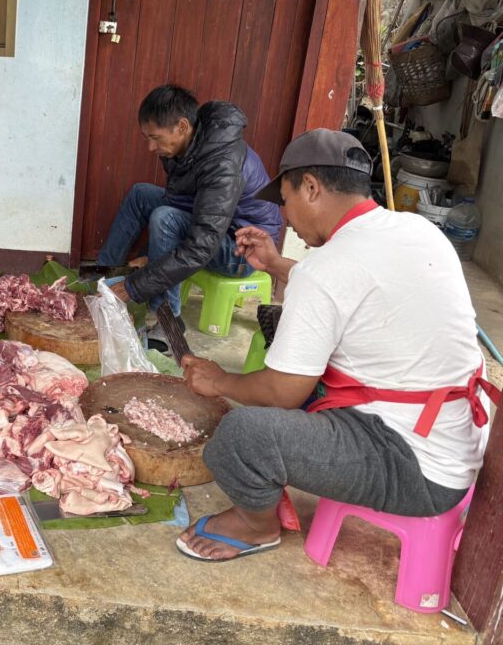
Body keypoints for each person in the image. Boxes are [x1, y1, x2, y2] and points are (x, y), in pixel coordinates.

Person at [176, 128, 499, 562]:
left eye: (286, 200)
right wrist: (276, 265)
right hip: (452, 443)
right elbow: (354, 285)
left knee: (242, 434)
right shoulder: (417, 231)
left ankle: (256, 526)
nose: (286, 214)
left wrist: (220, 381)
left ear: (310, 186)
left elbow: (283, 392)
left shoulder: (327, 269)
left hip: (412, 466)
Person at [98, 85, 282, 349]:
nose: (151, 147)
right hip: (211, 225)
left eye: (156, 138)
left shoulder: (223, 165)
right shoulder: (185, 147)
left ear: (182, 126)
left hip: (242, 249)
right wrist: (148, 256)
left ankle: (167, 322)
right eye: (146, 137)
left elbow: (200, 247)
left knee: (165, 218)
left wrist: (133, 287)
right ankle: (103, 276)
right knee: (141, 194)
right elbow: (179, 201)